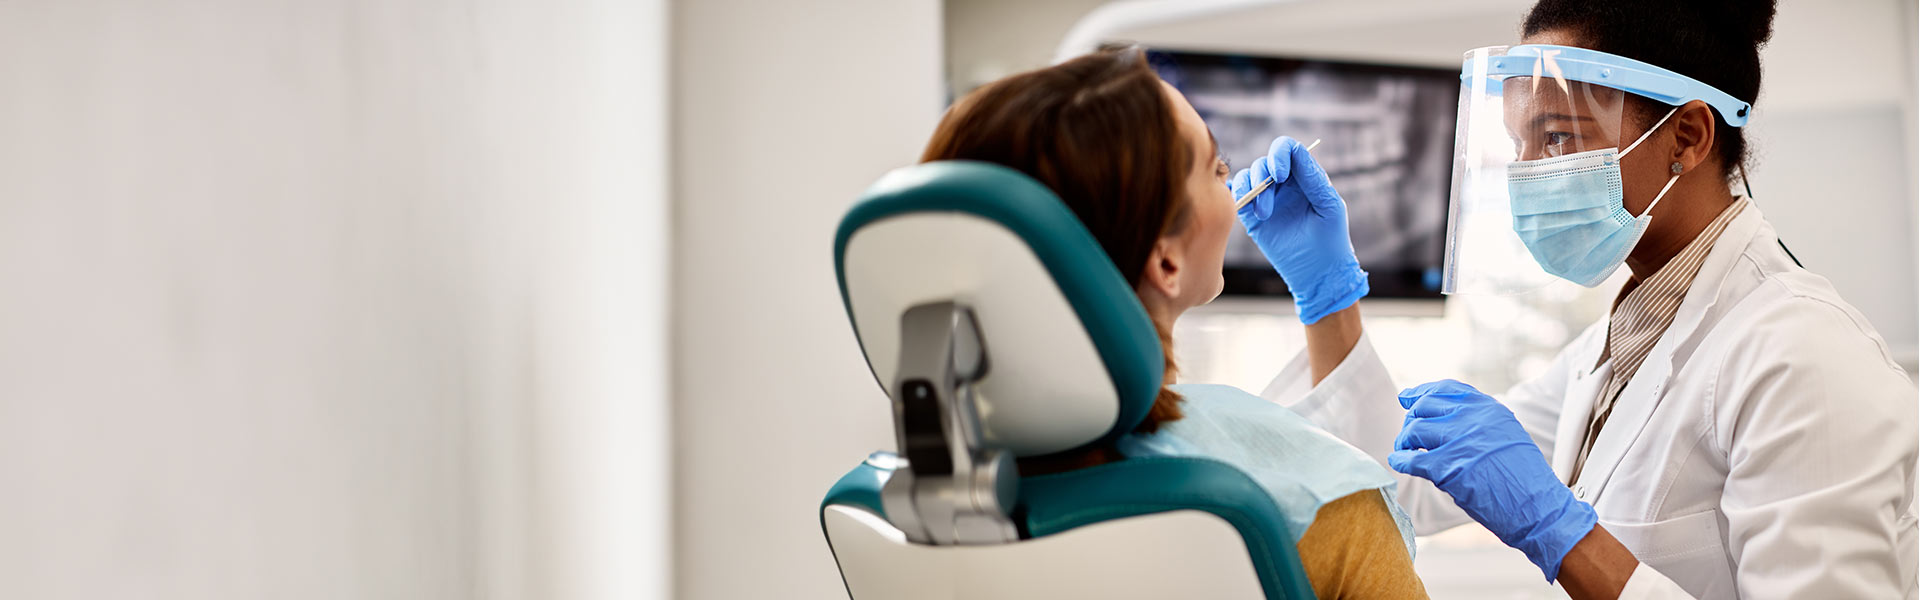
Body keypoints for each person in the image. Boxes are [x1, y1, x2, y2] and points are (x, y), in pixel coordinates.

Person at [1231, 1, 1917, 599]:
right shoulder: (1616, 348)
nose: (1527, 173)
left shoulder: (1805, 357)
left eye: (1557, 136)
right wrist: (1328, 293)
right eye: (1518, 143)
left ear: (1688, 137)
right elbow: (1402, 480)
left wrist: (1561, 533)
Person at [919, 46, 1430, 599]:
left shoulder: (933, 502)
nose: (1234, 188)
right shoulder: (1319, 508)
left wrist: (1326, 299)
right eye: (1216, 169)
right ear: (1165, 261)